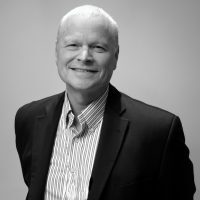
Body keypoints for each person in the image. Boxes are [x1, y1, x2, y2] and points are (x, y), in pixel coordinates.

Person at [15, 5, 196, 200]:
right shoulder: (29, 118)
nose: (84, 57)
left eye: (98, 47)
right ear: (57, 52)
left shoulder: (159, 132)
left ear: (115, 56)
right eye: (73, 45)